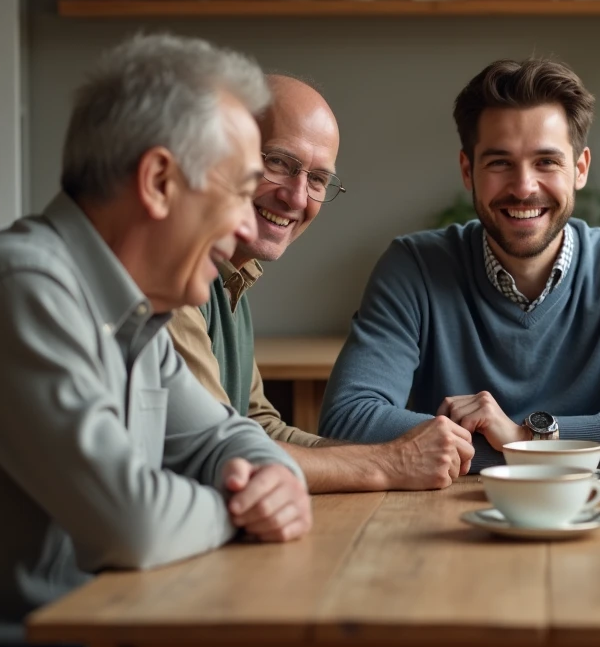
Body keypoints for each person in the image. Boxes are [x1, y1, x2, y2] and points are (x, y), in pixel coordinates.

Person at [0, 33, 312, 647]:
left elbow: (224, 437)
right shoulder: (17, 288)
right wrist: (245, 512)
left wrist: (276, 478)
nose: (251, 225)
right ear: (159, 181)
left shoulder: (137, 313)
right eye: (240, 191)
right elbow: (132, 524)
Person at [320, 58, 600, 470]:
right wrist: (540, 454)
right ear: (468, 171)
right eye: (499, 163)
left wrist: (529, 437)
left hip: (595, 508)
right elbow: (347, 419)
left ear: (579, 169)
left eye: (546, 161)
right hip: (440, 516)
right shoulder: (414, 268)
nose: (524, 187)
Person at [168, 75, 475, 492]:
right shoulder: (173, 279)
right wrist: (388, 463)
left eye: (317, 179)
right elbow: (220, 452)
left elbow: (258, 427)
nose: (297, 198)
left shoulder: (232, 279)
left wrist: (385, 457)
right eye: (279, 163)